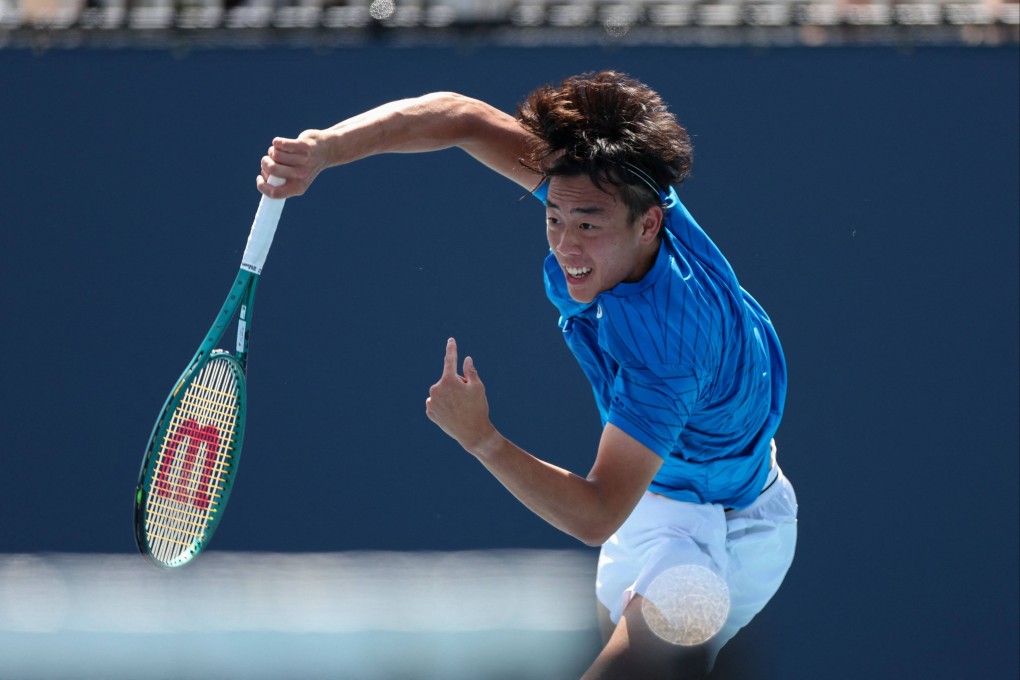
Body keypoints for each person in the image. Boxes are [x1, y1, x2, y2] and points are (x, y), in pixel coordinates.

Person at [258, 71, 798, 679]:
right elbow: (459, 116)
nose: (566, 245)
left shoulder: (669, 350)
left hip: (729, 527)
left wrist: (481, 439)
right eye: (554, 218)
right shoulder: (618, 188)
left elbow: (597, 514)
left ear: (648, 224)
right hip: (659, 503)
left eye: (587, 226)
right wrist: (326, 147)